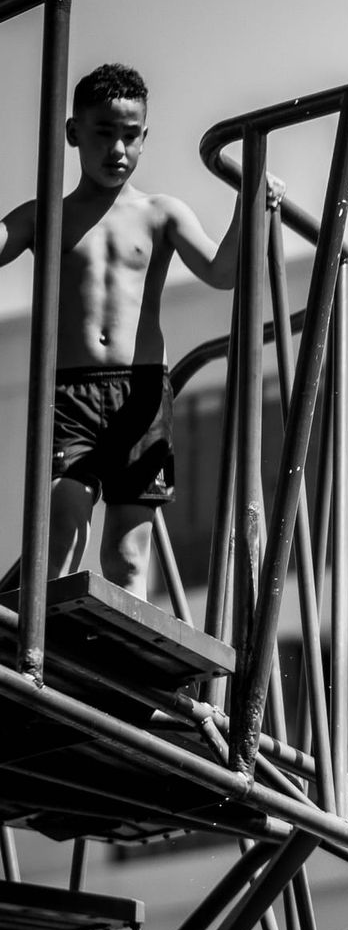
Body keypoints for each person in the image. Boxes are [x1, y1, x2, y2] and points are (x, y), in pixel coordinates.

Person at [0, 62, 282, 602]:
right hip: (70, 395)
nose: (118, 149)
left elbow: (222, 273)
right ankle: (49, 644)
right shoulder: (46, 215)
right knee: (62, 529)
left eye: (130, 136)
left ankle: (119, 651)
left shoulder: (161, 213)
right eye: (103, 133)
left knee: (127, 556)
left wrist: (251, 203)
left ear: (145, 138)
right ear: (73, 132)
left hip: (142, 393)